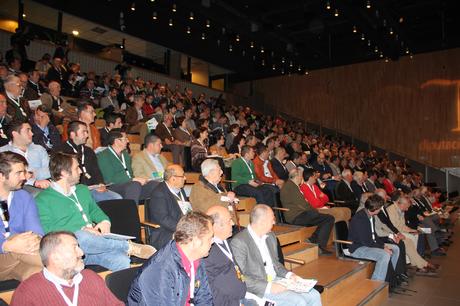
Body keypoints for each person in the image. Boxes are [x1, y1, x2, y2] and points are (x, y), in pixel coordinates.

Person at [35, 152, 155, 271]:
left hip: (94, 245)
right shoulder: (43, 200)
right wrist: (80, 230)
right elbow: (49, 232)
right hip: (70, 249)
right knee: (82, 237)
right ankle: (127, 246)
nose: (81, 171)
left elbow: (95, 211)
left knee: (122, 260)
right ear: (64, 173)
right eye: (77, 168)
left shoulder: (82, 190)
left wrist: (104, 222)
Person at [231, 205, 322, 306]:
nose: (274, 222)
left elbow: (276, 264)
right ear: (262, 222)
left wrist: (290, 275)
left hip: (277, 280)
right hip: (259, 288)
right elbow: (240, 277)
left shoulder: (271, 236)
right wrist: (269, 287)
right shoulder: (239, 242)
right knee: (298, 302)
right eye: (272, 219)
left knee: (314, 295)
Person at [10, 231, 124, 306]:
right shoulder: (28, 291)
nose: (82, 253)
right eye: (75, 248)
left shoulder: (91, 277)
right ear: (55, 256)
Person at [128, 212, 214, 306]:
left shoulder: (196, 257)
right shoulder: (160, 270)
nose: (212, 242)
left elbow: (204, 298)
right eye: (210, 238)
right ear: (196, 242)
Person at [0, 152, 43, 282]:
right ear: (1, 176)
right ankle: (66, 263)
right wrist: (6, 245)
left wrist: (20, 243)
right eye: (19, 173)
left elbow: (36, 232)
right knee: (16, 240)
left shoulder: (24, 197)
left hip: (21, 258)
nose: (24, 177)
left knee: (37, 275)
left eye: (24, 172)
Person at [57, 120, 122, 202]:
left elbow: (96, 170)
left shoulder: (88, 151)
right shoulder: (61, 151)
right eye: (83, 132)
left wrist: (100, 183)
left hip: (93, 188)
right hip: (74, 189)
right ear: (73, 134)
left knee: (117, 198)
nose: (87, 135)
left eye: (87, 132)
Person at [280, 168, 335, 254]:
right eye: (301, 176)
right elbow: (303, 204)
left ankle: (312, 240)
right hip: (296, 216)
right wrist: (315, 210)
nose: (302, 178)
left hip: (299, 214)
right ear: (297, 176)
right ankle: (318, 245)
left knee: (324, 218)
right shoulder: (291, 187)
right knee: (328, 219)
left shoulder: (291, 185)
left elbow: (302, 204)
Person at [97, 129, 158, 204]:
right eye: (125, 138)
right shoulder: (103, 156)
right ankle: (132, 214)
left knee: (154, 184)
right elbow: (110, 179)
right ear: (116, 141)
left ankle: (155, 214)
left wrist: (140, 180)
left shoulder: (125, 155)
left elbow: (130, 174)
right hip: (113, 186)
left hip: (130, 185)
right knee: (134, 185)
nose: (128, 141)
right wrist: (133, 179)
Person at [348, 195, 400, 282]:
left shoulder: (370, 216)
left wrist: (383, 245)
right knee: (384, 255)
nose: (381, 209)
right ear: (375, 208)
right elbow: (366, 242)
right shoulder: (360, 218)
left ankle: (391, 277)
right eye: (380, 207)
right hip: (358, 248)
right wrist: (383, 248)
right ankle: (376, 283)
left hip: (368, 244)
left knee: (395, 248)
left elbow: (374, 236)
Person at [204, 206, 248, 306]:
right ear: (216, 226)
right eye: (229, 221)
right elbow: (210, 290)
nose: (233, 223)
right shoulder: (207, 252)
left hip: (243, 297)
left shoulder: (226, 240)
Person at [386, 195, 438, 276]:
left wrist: (412, 230)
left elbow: (402, 225)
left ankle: (413, 262)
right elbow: (394, 228)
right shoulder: (391, 210)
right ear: (401, 204)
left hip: (397, 231)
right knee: (409, 239)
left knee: (414, 236)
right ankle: (421, 263)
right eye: (406, 207)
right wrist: (409, 231)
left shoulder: (400, 209)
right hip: (391, 233)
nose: (407, 209)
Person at [146, 164, 189, 249]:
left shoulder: (181, 191)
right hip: (165, 233)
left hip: (182, 227)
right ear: (173, 179)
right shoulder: (159, 193)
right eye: (182, 176)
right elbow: (164, 219)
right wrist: (184, 229)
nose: (185, 178)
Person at [0, 121, 51, 192]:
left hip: (43, 186)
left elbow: (50, 170)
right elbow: (6, 178)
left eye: (31, 130)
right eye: (28, 130)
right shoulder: (3, 152)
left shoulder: (39, 149)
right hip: (15, 190)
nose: (32, 134)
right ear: (15, 134)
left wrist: (33, 174)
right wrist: (33, 182)